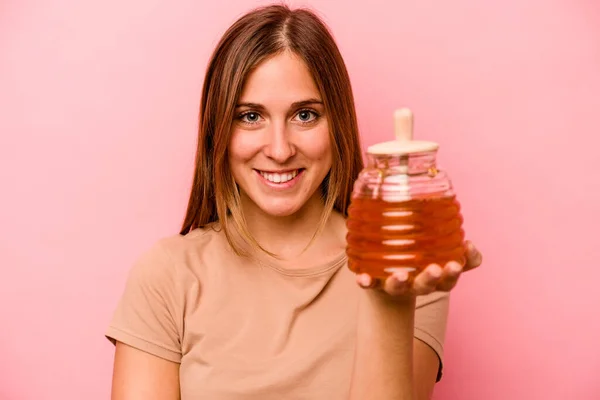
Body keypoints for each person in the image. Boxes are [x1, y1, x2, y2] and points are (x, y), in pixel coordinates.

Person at [106, 4, 482, 400]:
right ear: (219, 129)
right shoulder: (167, 276)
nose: (280, 149)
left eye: (305, 115)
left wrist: (389, 301)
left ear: (337, 121)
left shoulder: (407, 268)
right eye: (251, 117)